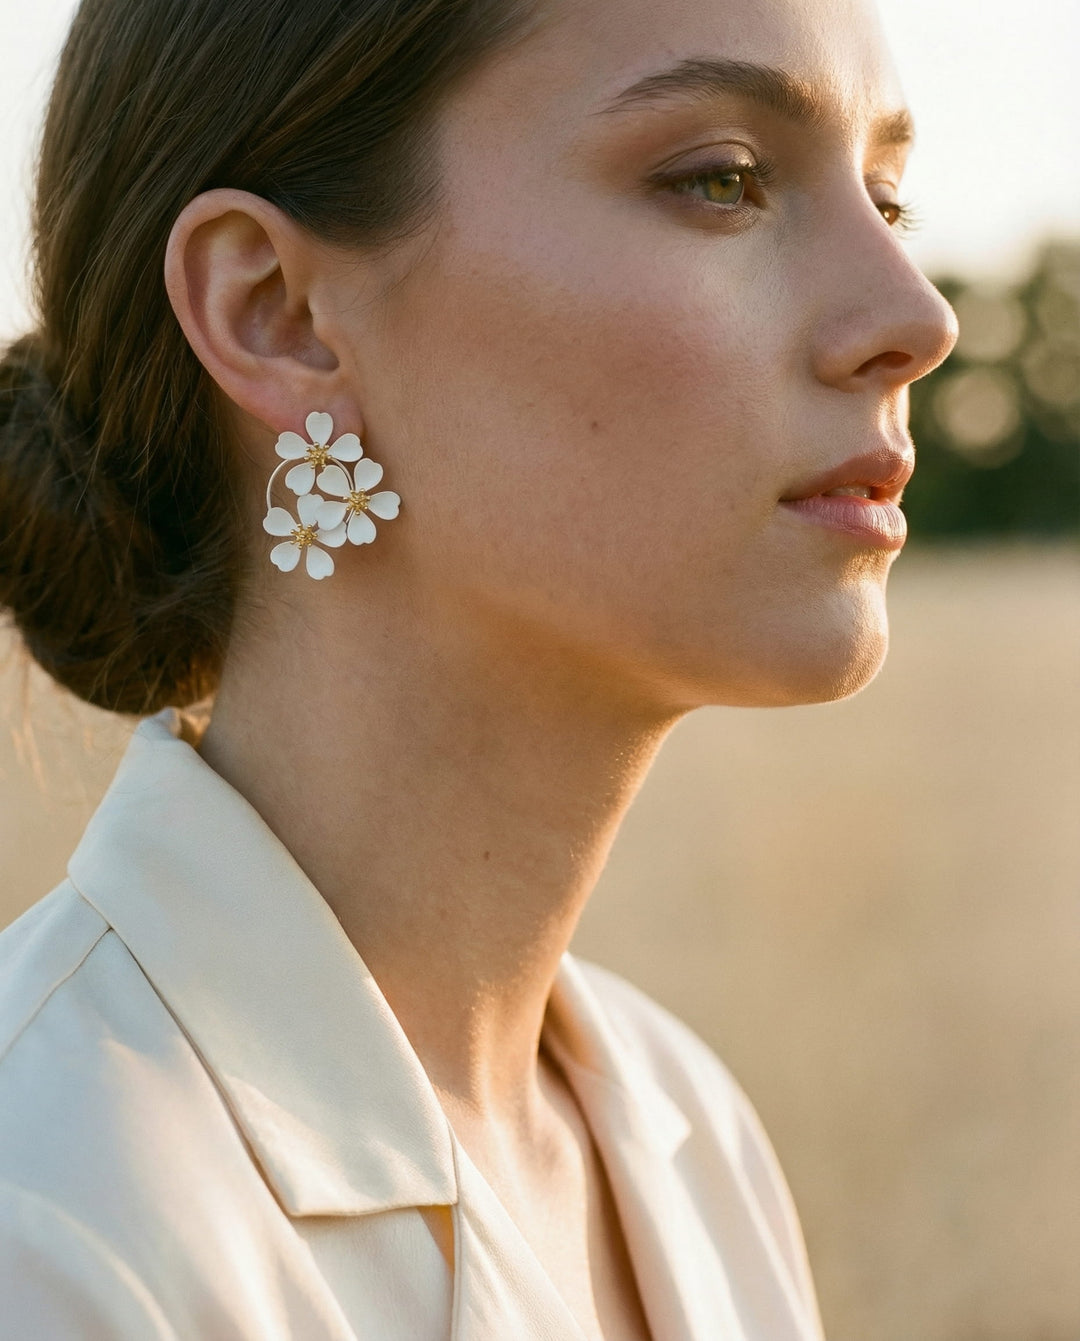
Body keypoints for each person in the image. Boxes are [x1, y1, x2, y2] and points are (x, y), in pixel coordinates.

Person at [0, 0, 957, 1332]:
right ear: (276, 313)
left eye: (891, 199)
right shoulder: (49, 1212)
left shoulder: (689, 1132)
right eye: (723, 181)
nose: (915, 316)